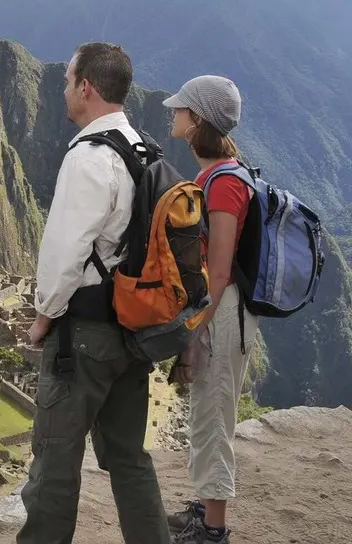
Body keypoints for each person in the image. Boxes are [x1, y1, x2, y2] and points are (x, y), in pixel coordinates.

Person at [17, 42, 170, 544]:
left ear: (86, 87)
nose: (63, 90)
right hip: (132, 329)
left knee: (55, 462)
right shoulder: (144, 150)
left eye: (66, 81)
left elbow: (64, 251)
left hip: (83, 336)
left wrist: (44, 317)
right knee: (129, 457)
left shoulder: (90, 156)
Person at [163, 75, 258, 544]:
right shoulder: (218, 175)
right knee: (205, 408)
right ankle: (204, 509)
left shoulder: (223, 185)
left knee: (215, 412)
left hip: (221, 311)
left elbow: (217, 271)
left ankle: (213, 530)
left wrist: (192, 335)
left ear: (197, 119)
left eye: (180, 109)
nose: (173, 114)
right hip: (216, 307)